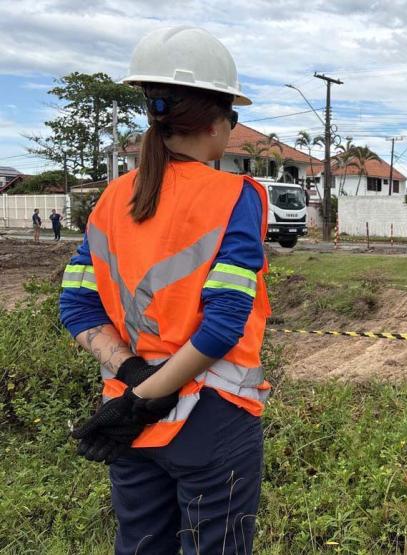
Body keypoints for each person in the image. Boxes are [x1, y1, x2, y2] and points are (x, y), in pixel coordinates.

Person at [58, 26, 270, 554]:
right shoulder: (235, 196)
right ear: (219, 122)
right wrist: (149, 395)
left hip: (127, 416)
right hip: (211, 415)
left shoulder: (112, 197)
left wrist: (132, 386)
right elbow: (223, 324)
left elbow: (77, 303)